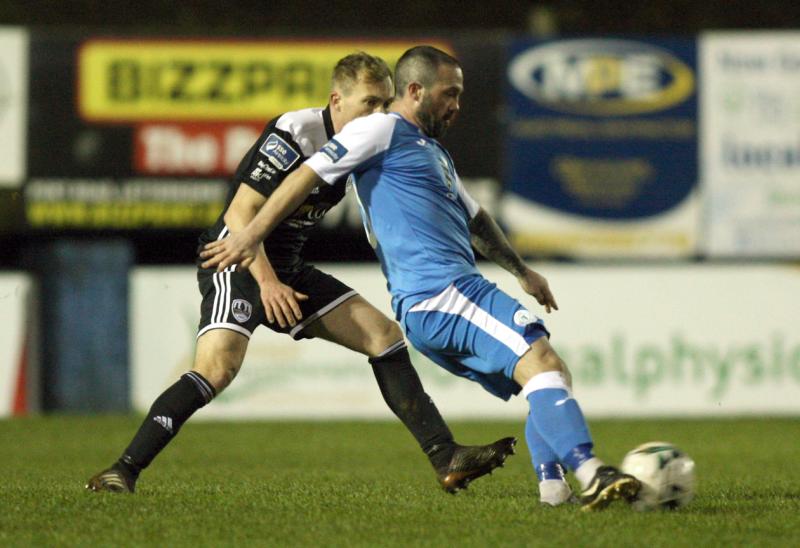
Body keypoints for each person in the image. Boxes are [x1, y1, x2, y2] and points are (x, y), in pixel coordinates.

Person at [200, 46, 642, 511]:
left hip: (444, 298)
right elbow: (308, 173)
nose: (457, 104)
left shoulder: (431, 152)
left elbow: (477, 221)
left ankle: (555, 490)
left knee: (550, 376)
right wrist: (251, 235)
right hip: (443, 293)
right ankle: (593, 472)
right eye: (450, 93)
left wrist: (522, 271)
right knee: (543, 361)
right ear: (414, 91)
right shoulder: (381, 127)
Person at [86, 52, 516, 495]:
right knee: (217, 369)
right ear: (336, 100)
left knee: (383, 336)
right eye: (368, 102)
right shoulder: (296, 132)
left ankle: (445, 456)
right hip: (235, 261)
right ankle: (123, 470)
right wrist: (267, 284)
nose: (378, 112)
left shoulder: (367, 143)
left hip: (287, 270)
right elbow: (240, 213)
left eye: (384, 103)